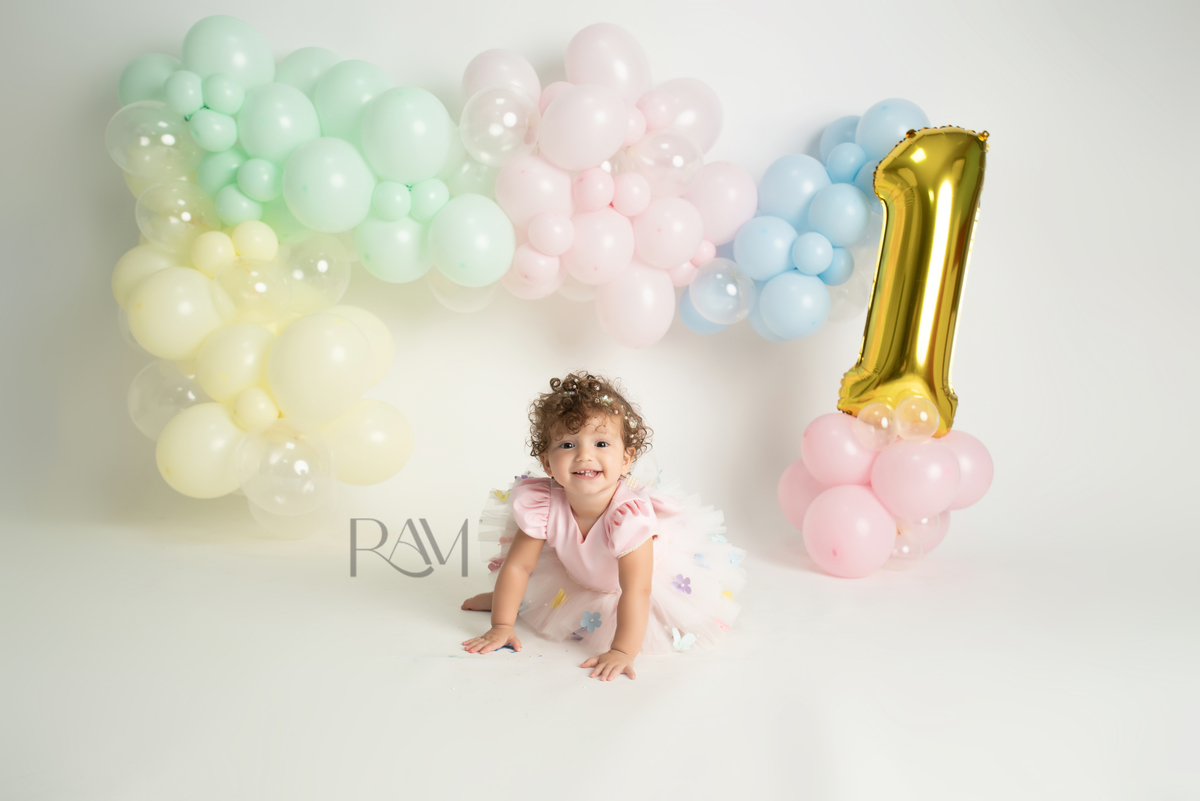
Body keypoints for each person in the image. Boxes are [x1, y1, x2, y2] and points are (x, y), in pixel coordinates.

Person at [461, 371, 746, 680]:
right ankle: (511, 603)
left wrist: (622, 651)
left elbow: (637, 589)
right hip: (579, 574)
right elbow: (519, 567)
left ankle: (520, 603)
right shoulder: (543, 505)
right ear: (546, 463)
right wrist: (502, 624)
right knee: (522, 587)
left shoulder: (629, 517)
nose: (584, 455)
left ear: (626, 459)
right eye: (567, 445)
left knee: (654, 609)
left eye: (600, 443)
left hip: (640, 585)